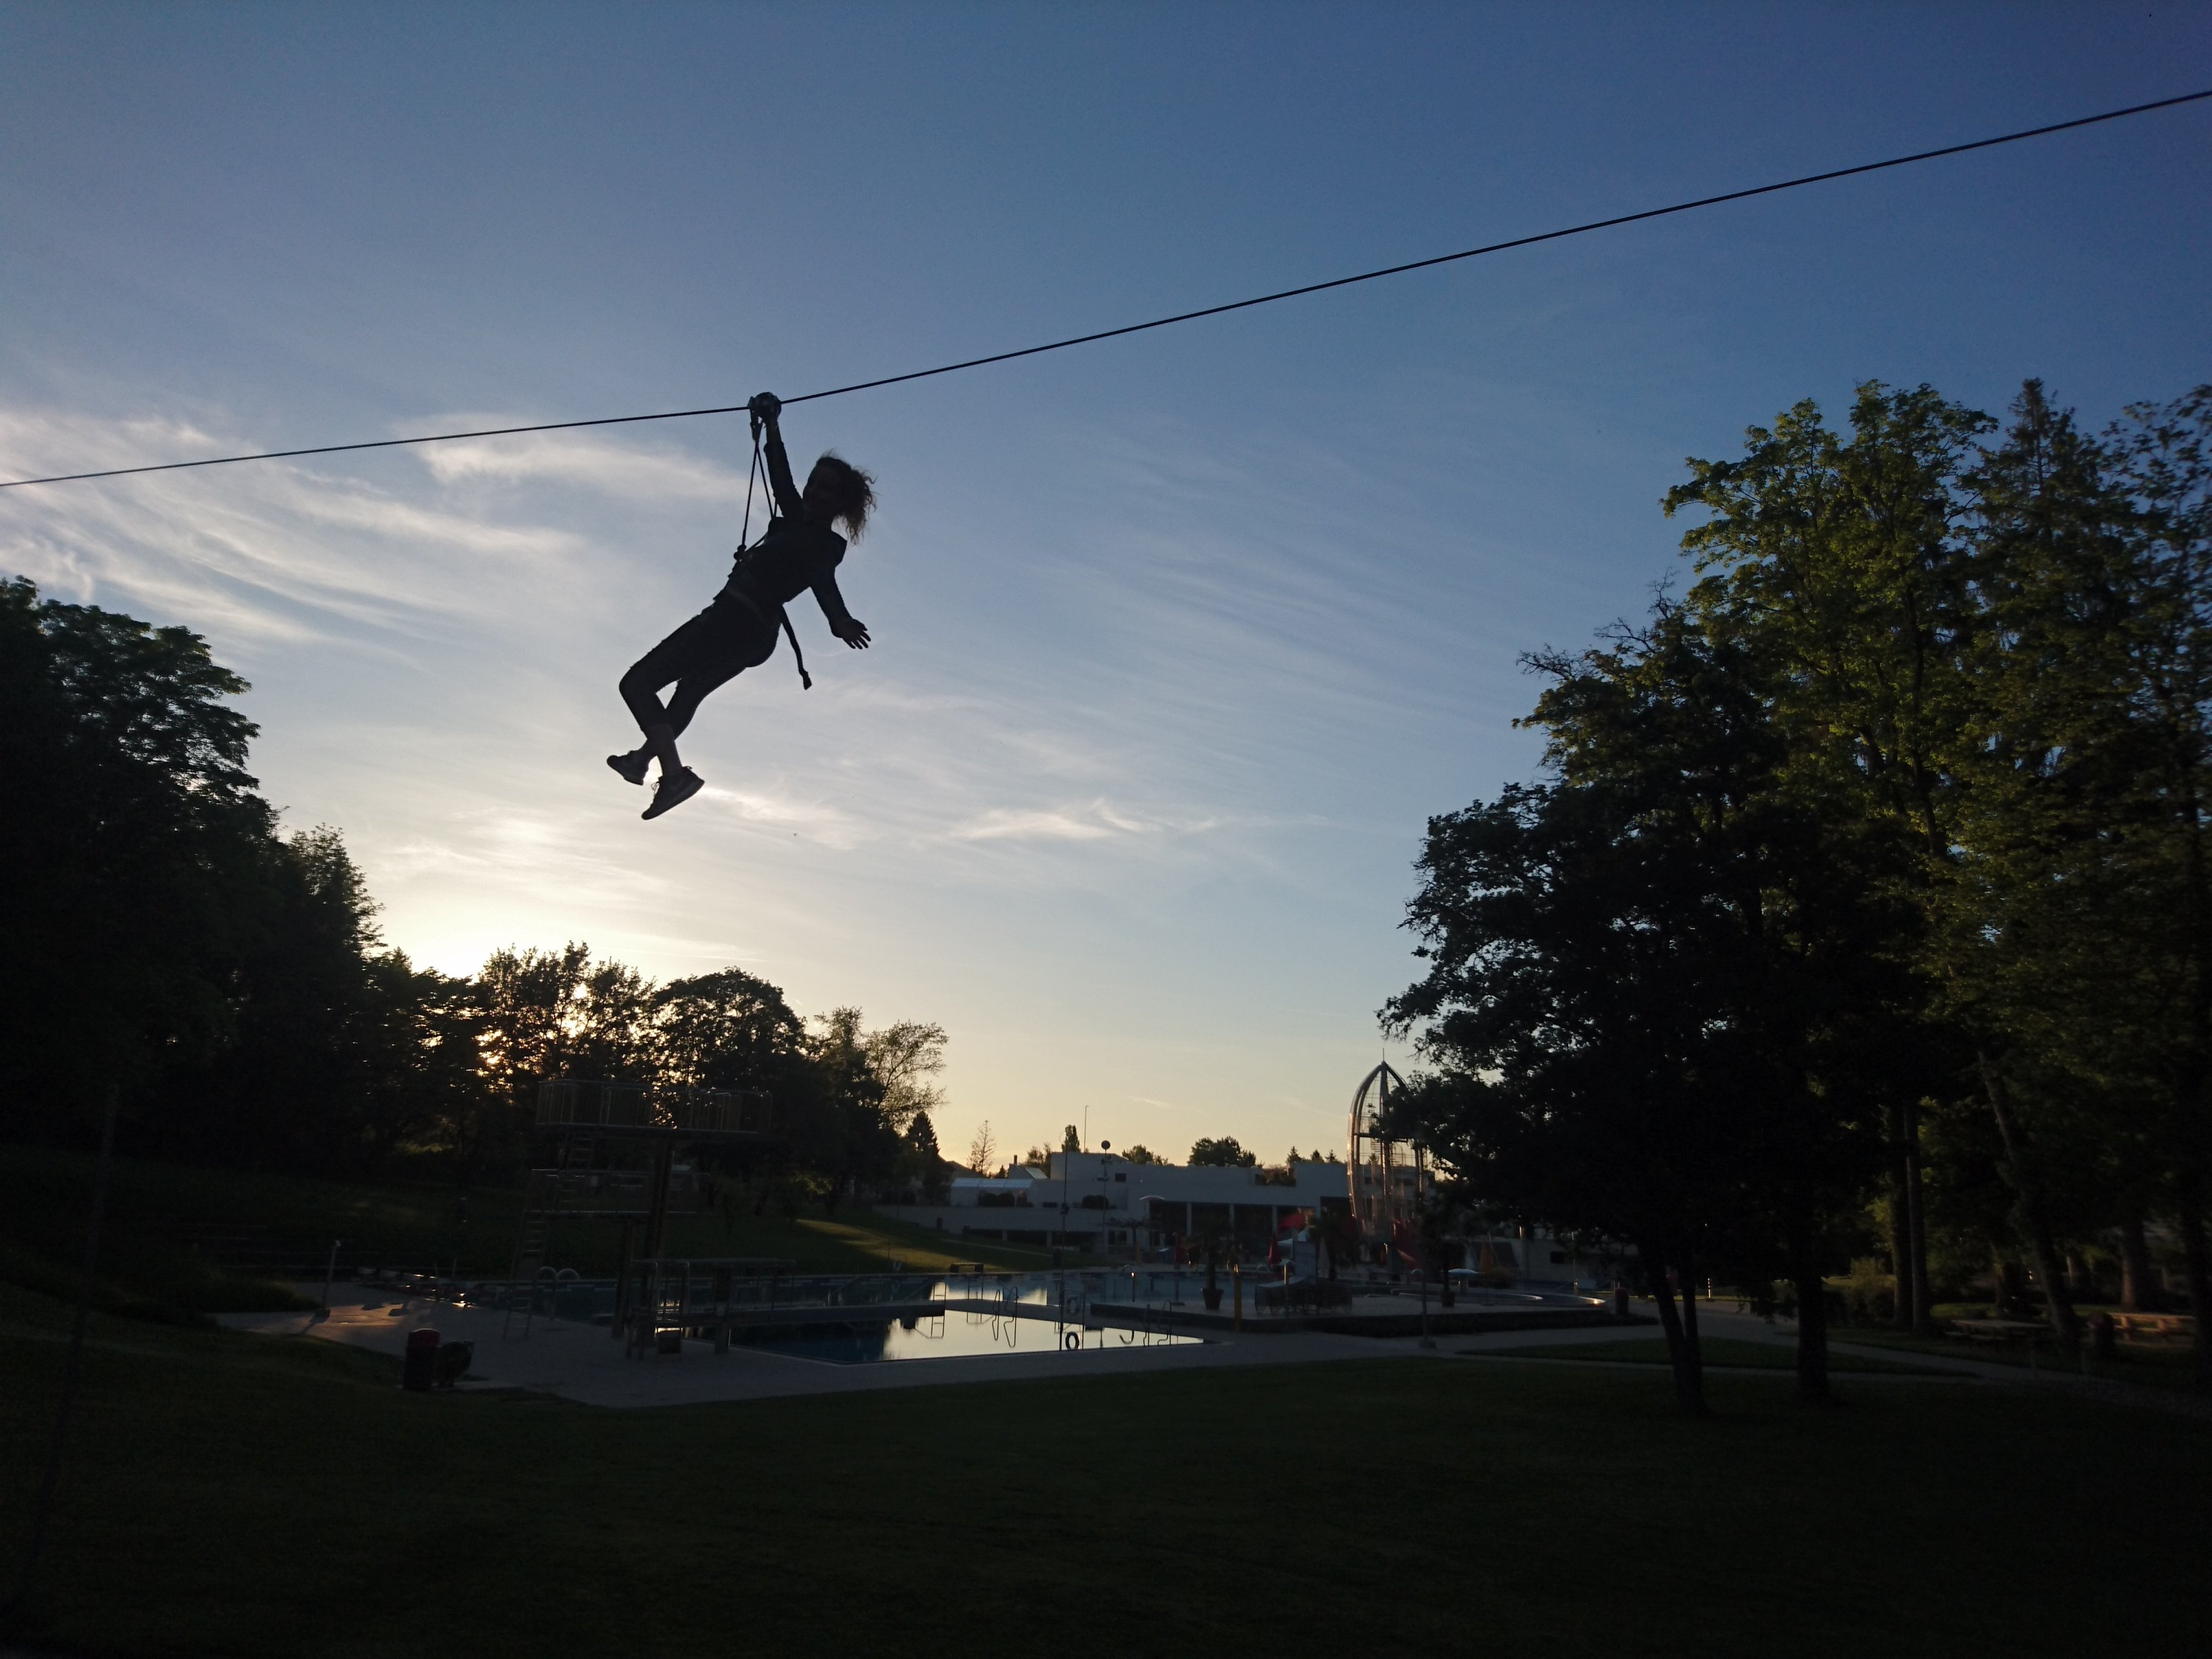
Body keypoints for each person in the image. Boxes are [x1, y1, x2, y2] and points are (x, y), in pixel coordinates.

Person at [610, 393, 876, 819]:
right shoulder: (795, 517)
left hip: (739, 623)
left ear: (840, 503)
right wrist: (772, 425)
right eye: (814, 483)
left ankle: (673, 775)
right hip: (747, 632)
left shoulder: (825, 543)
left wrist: (839, 619)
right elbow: (781, 477)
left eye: (826, 490)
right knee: (687, 694)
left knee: (637, 685)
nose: (813, 492)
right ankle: (644, 761)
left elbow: (822, 580)